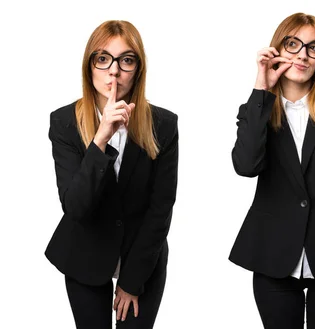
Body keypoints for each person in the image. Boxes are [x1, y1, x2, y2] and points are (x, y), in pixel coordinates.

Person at [229, 12, 315, 329]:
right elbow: (246, 166)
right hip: (272, 258)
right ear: (277, 49)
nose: (303, 55)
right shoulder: (256, 110)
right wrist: (261, 89)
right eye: (293, 44)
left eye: (313, 48)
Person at [45, 20, 178, 329]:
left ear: (138, 70)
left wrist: (131, 282)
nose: (114, 71)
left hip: (142, 256)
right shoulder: (64, 122)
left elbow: (161, 209)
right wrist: (101, 139)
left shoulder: (164, 124)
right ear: (89, 66)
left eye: (126, 60)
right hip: (85, 252)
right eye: (103, 59)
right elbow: (76, 206)